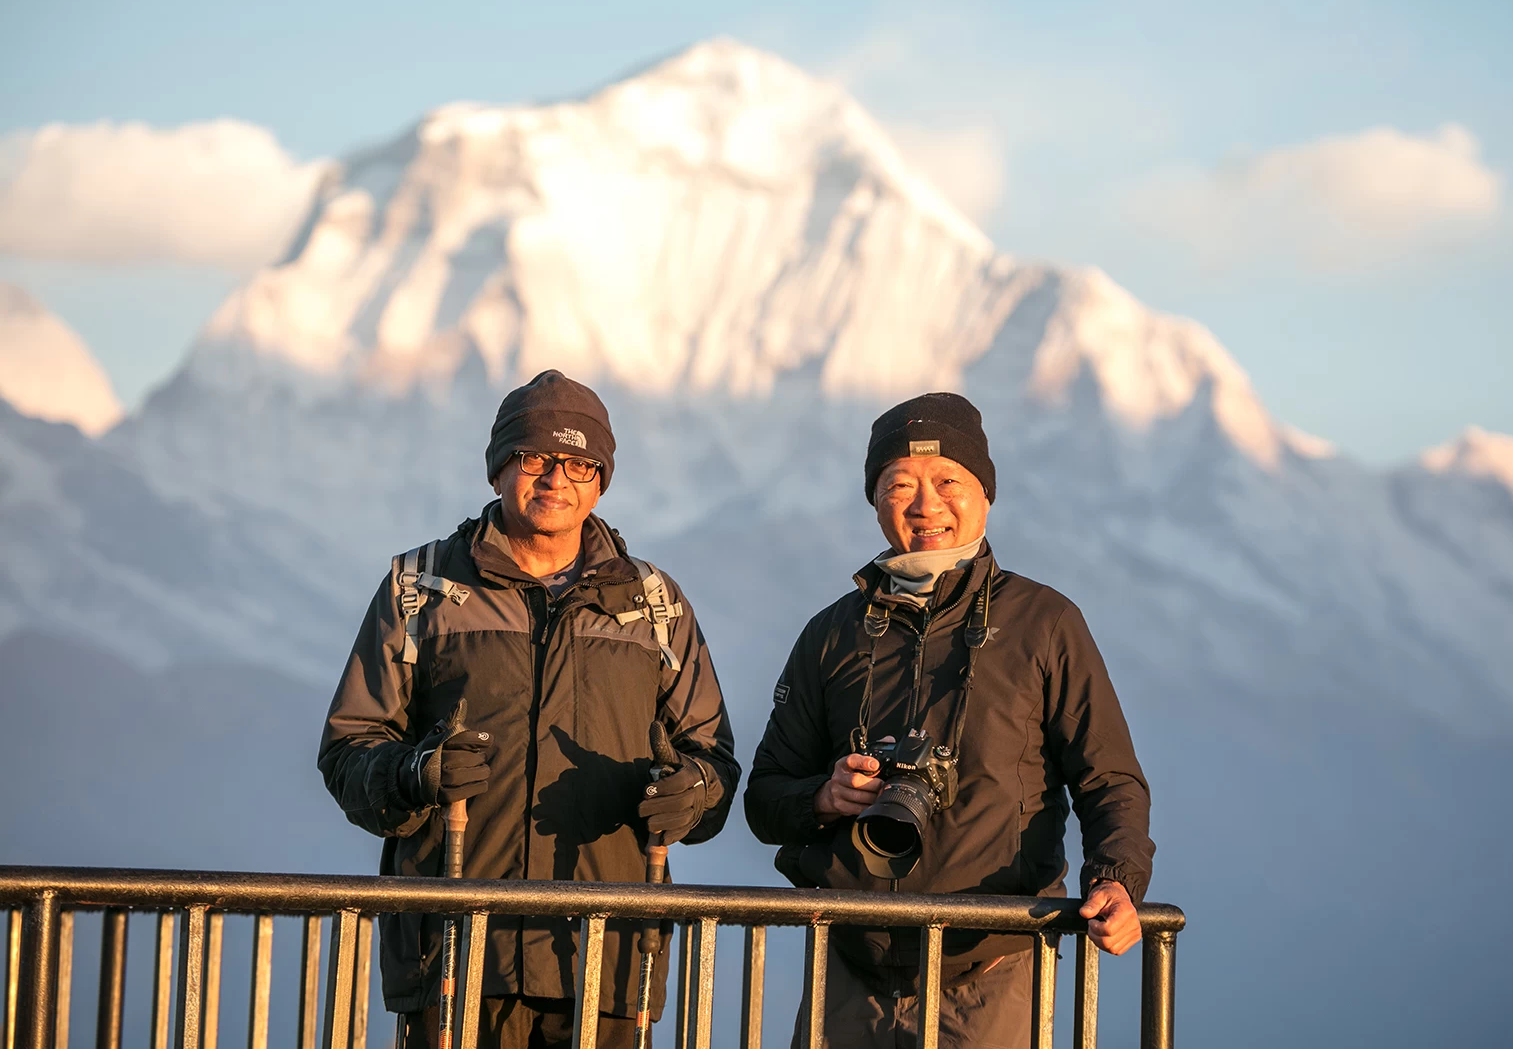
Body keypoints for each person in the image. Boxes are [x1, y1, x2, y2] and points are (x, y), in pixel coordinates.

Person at [319, 370, 738, 1049]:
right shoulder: (419, 590)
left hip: (607, 961)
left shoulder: (655, 606)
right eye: (533, 457)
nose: (555, 478)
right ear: (497, 471)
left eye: (578, 462)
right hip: (453, 957)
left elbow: (712, 761)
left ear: (601, 478)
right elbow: (349, 748)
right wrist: (414, 774)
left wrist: (690, 796)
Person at [744, 392, 1156, 1049]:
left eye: (947, 482)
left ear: (985, 493)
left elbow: (1108, 777)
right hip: (852, 971)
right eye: (899, 484)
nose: (925, 504)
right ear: (874, 499)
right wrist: (823, 797)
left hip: (995, 965)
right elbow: (765, 798)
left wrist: (1116, 881)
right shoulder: (832, 634)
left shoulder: (1043, 623)